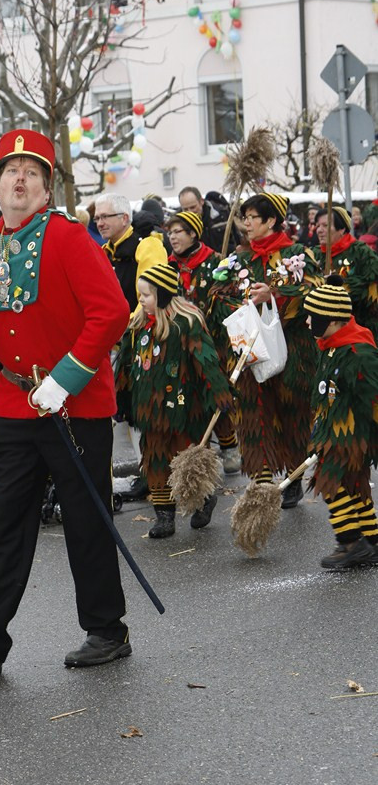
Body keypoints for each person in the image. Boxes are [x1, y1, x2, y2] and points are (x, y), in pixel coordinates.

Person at [0, 128, 131, 679]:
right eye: (11, 170)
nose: (19, 179)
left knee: (86, 519)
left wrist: (65, 379)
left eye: (31, 172)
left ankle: (107, 630)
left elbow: (109, 312)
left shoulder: (68, 237)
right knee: (4, 523)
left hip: (75, 404)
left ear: (46, 187)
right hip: (13, 402)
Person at [209, 192, 321, 507]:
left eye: (251, 217)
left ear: (270, 220)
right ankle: (261, 481)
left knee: (292, 414)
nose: (245, 223)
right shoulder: (237, 259)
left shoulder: (297, 254)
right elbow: (216, 297)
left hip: (291, 350)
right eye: (243, 217)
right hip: (249, 351)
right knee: (254, 414)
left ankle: (294, 478)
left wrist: (272, 295)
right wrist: (244, 306)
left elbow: (313, 292)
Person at [116, 263, 231, 538]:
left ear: (165, 295)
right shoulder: (138, 326)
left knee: (186, 459)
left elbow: (206, 362)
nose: (141, 300)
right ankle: (164, 515)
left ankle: (203, 498)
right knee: (155, 459)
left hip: (183, 408)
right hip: (150, 410)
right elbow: (127, 366)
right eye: (140, 295)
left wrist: (218, 393)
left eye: (147, 295)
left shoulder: (186, 324)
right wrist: (122, 398)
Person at [303, 276, 378, 568]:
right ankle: (371, 540)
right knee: (353, 483)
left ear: (332, 320)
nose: (308, 322)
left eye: (314, 317)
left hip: (351, 434)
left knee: (329, 481)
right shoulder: (330, 344)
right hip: (333, 430)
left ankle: (350, 542)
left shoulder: (358, 352)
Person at [165, 210, 241, 475]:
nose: (172, 237)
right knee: (193, 397)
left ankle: (230, 446)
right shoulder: (169, 265)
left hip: (215, 340)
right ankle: (203, 451)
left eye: (178, 232)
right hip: (183, 341)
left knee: (217, 391)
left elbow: (234, 300)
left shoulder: (215, 262)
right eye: (170, 233)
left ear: (193, 234)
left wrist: (221, 294)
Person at [95, 192, 167, 311]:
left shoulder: (148, 246)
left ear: (124, 218)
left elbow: (151, 301)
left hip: (137, 327)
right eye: (97, 218)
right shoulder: (104, 253)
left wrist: (128, 327)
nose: (100, 224)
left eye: (105, 217)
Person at [314, 205, 378, 340]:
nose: (319, 230)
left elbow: (371, 284)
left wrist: (342, 288)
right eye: (317, 225)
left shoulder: (361, 251)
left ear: (342, 229)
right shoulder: (314, 255)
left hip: (359, 328)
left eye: (325, 225)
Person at [178, 185, 237, 254]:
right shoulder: (178, 223)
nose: (190, 212)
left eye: (193, 207)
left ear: (201, 201)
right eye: (185, 209)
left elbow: (236, 238)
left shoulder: (221, 214)